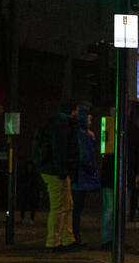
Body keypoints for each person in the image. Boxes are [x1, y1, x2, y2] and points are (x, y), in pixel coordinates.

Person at [35, 99, 80, 251]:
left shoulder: (57, 123)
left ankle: (66, 239)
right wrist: (62, 171)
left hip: (54, 170)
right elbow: (59, 150)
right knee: (60, 206)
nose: (78, 113)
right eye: (77, 110)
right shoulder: (61, 125)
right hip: (56, 171)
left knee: (66, 205)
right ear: (72, 111)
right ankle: (53, 241)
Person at [71, 104, 101, 246]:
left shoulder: (81, 132)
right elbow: (85, 156)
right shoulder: (82, 134)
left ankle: (74, 236)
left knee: (76, 209)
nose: (91, 119)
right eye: (88, 117)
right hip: (80, 178)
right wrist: (91, 169)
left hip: (80, 177)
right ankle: (74, 237)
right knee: (76, 209)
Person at [17, 159, 41, 224]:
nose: (29, 168)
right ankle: (23, 218)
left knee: (32, 206)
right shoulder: (25, 174)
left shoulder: (33, 174)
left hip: (31, 191)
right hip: (25, 191)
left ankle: (31, 218)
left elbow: (36, 183)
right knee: (23, 205)